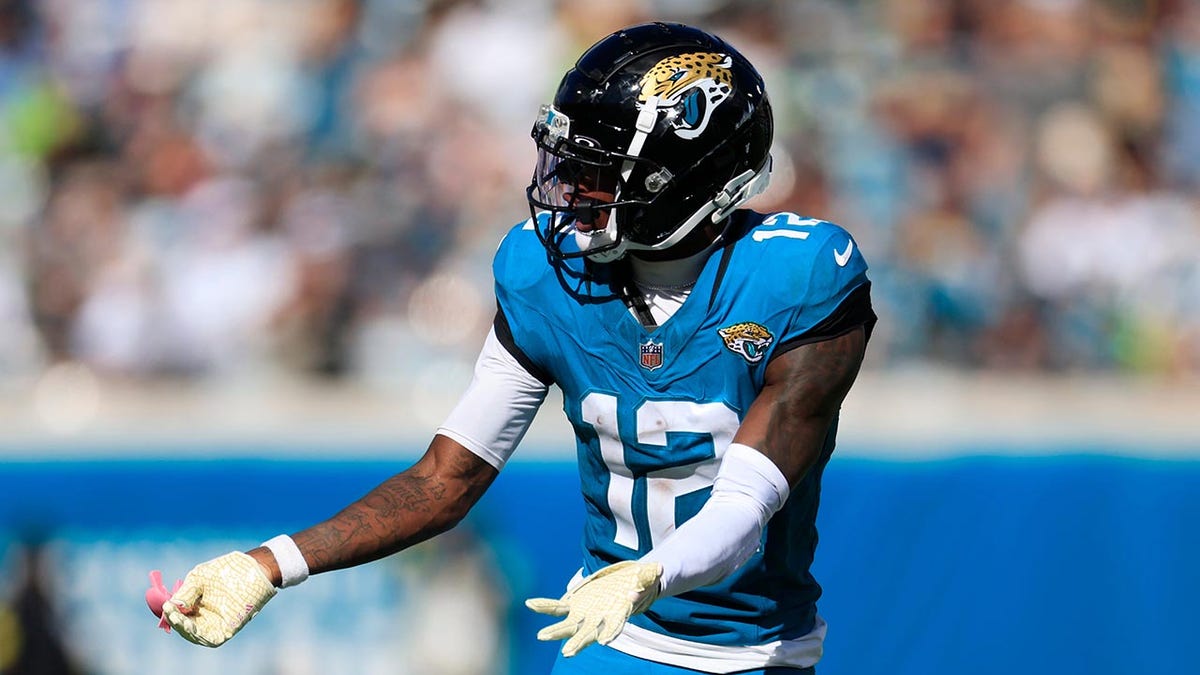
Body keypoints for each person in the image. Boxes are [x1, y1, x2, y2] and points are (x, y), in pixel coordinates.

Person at [156, 21, 876, 675]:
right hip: (610, 638)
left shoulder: (798, 276)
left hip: (754, 652)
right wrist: (268, 565)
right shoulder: (544, 273)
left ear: (682, 175)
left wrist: (651, 573)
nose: (572, 189)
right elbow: (445, 479)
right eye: (572, 163)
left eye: (601, 169)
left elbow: (745, 505)